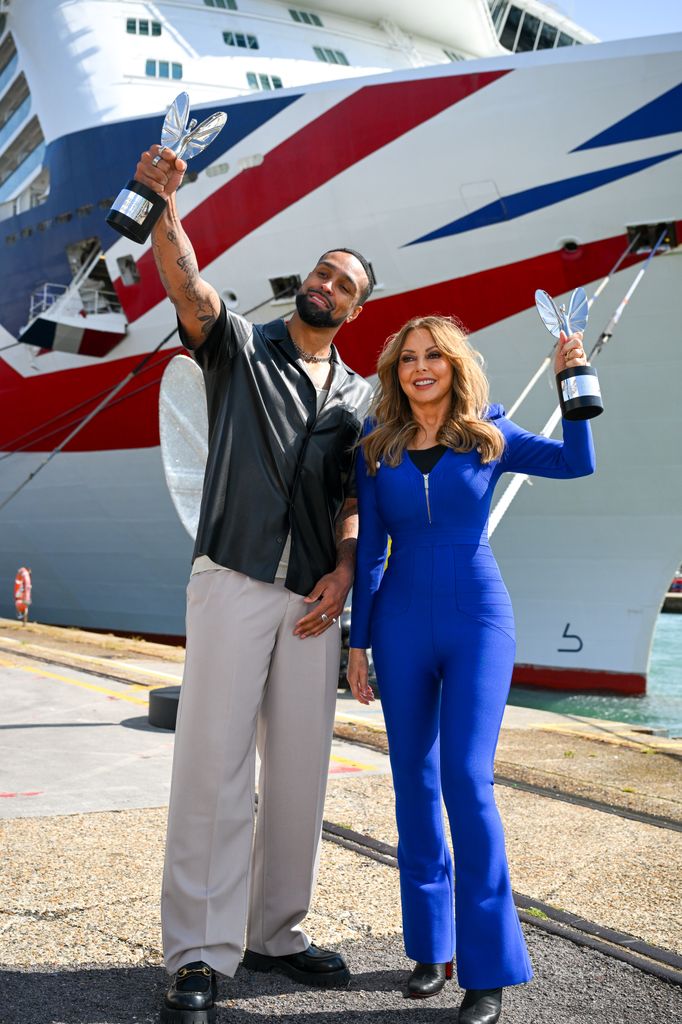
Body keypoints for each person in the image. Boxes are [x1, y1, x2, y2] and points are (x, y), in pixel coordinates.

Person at [134, 142, 375, 1023]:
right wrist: (164, 205)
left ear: (357, 307)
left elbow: (353, 495)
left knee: (302, 773)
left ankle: (278, 932)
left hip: (313, 600)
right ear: (304, 285)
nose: (328, 285)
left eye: (346, 283)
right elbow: (187, 286)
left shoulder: (357, 395)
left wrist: (347, 568)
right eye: (322, 272)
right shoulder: (240, 345)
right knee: (212, 766)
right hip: (233, 578)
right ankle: (199, 950)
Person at [347, 315, 595, 1024]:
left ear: (455, 366)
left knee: (465, 779)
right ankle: (431, 948)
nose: (420, 367)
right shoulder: (376, 449)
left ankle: (486, 970)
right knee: (413, 783)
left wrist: (572, 381)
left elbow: (578, 462)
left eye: (434, 356)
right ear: (396, 373)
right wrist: (356, 645)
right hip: (397, 624)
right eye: (407, 359)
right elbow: (368, 556)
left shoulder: (490, 433)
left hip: (478, 619)